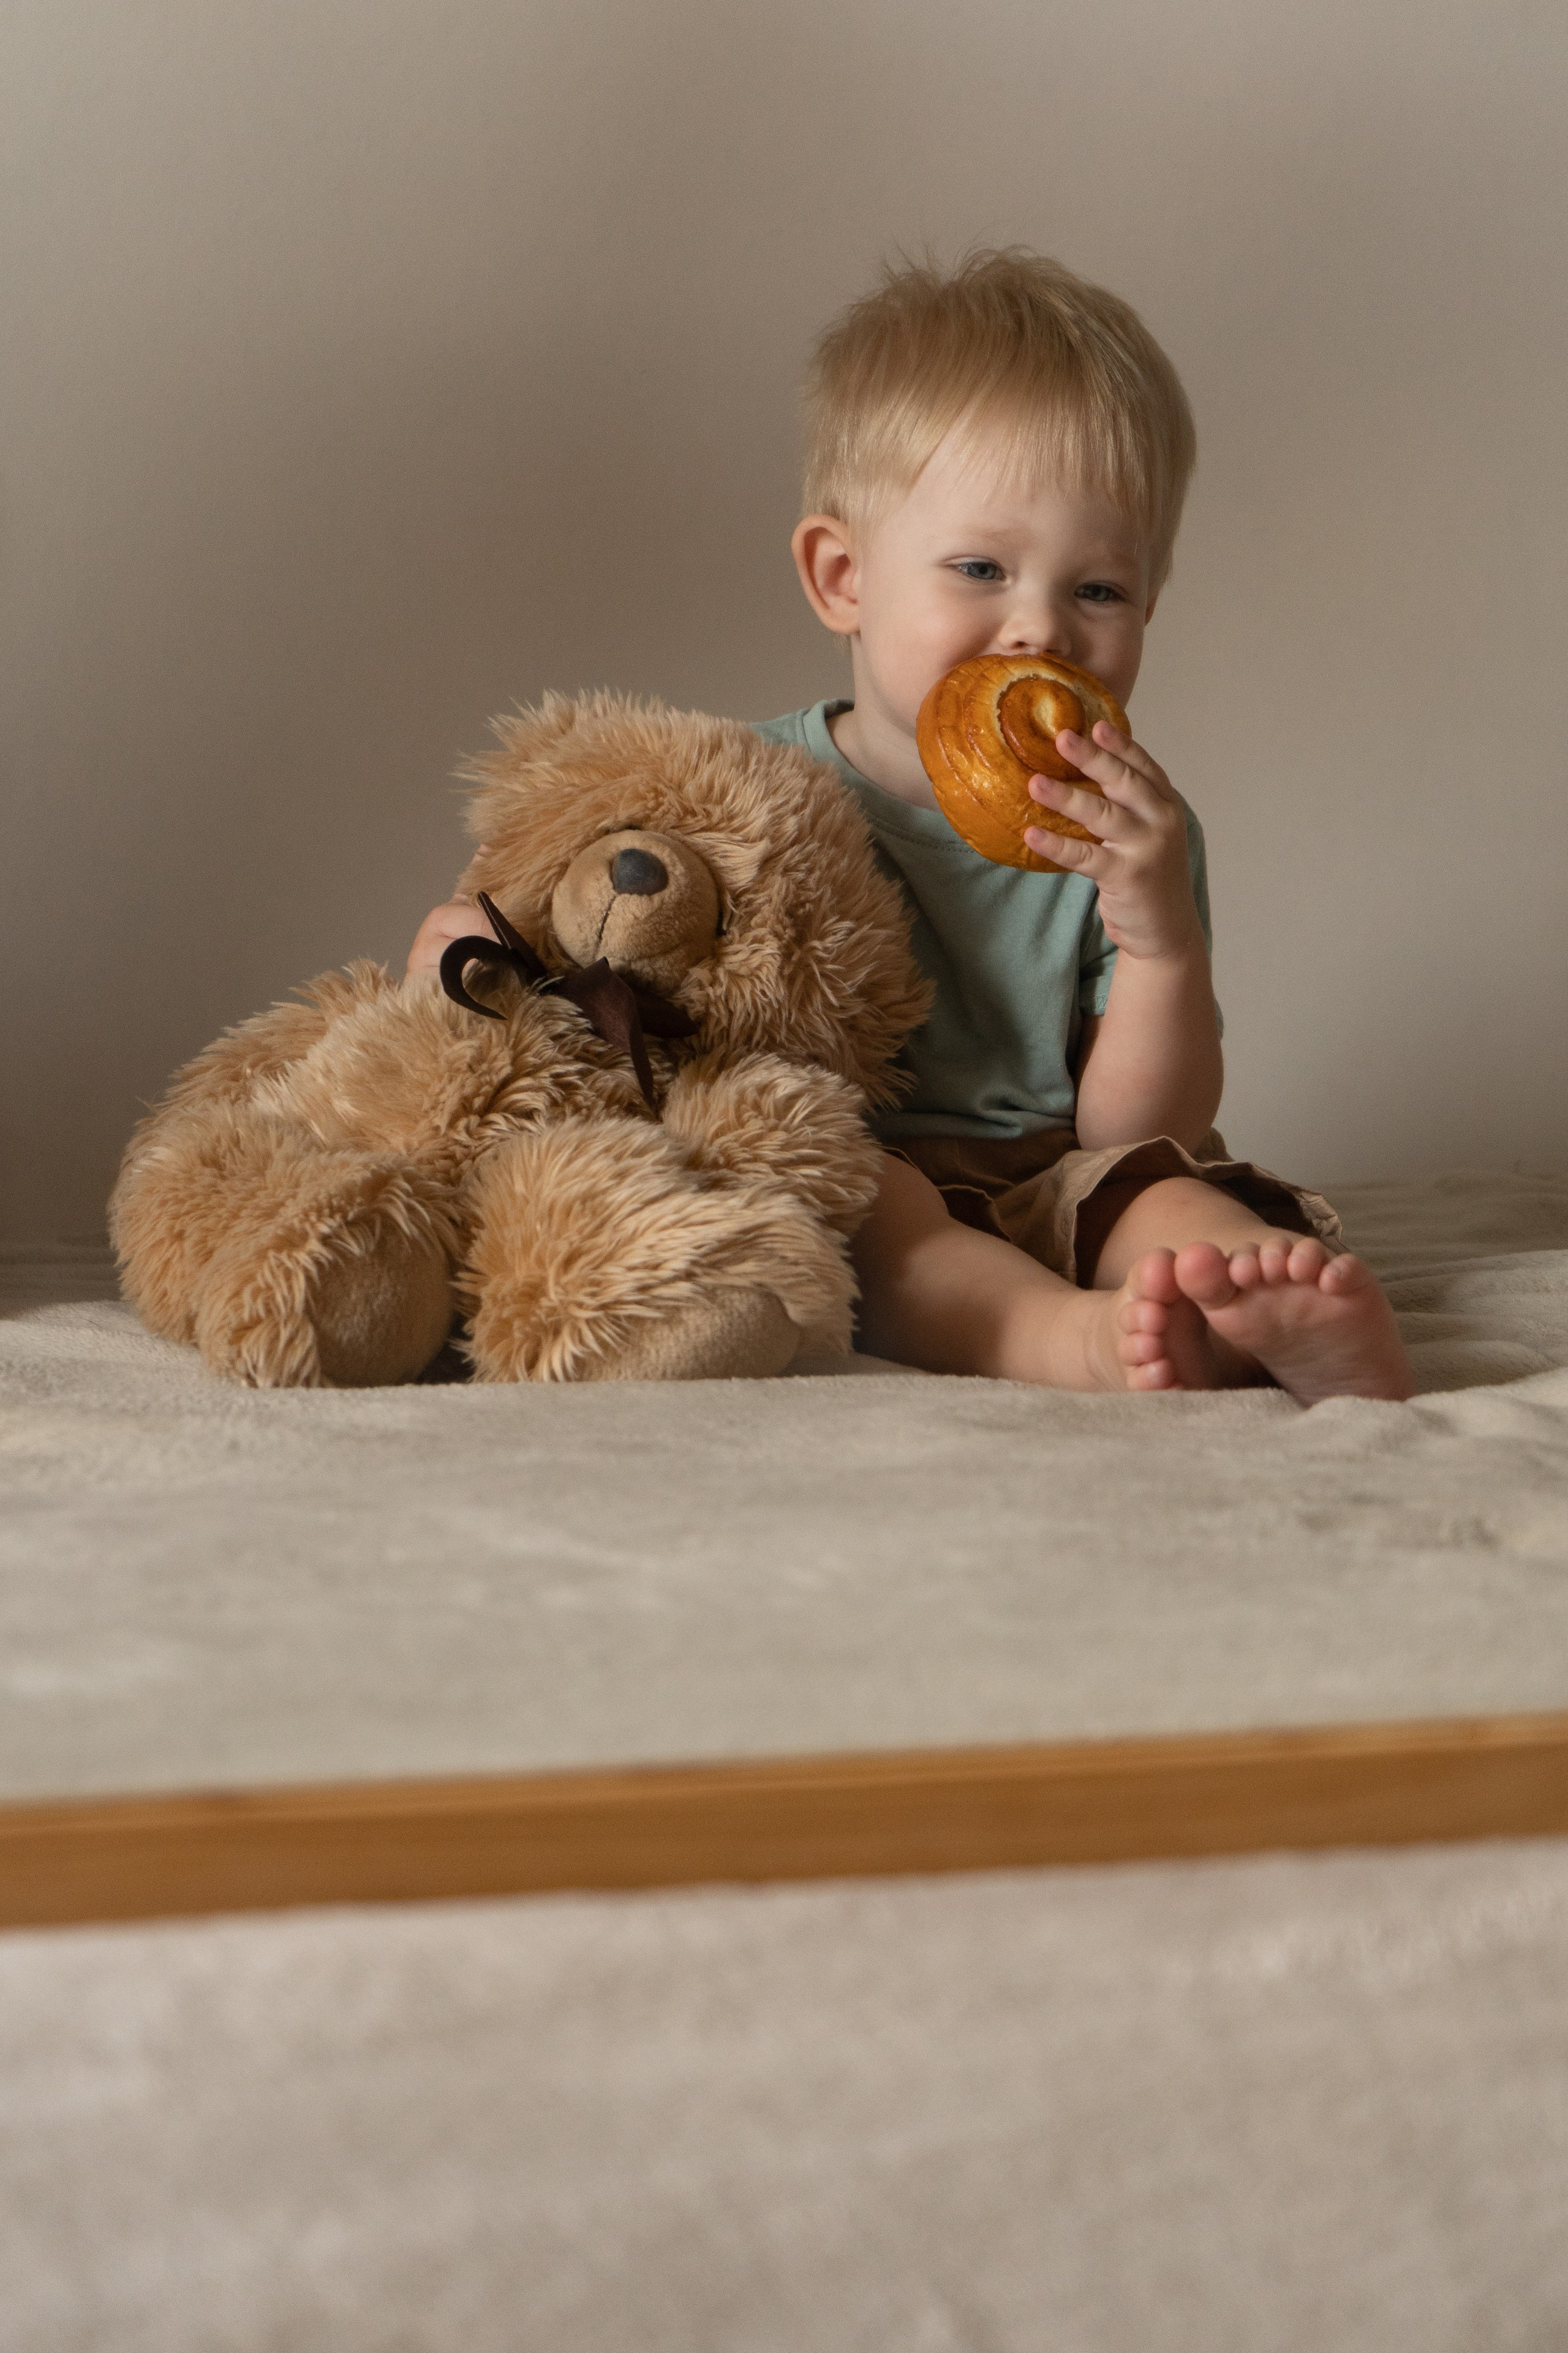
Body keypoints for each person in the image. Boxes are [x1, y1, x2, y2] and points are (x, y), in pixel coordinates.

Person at [409, 250, 1412, 1403]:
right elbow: (583, 908)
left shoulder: (1129, 829)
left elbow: (1140, 1124)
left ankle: (1254, 1310)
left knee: (1168, 1201)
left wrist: (1161, 939)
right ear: (843, 577)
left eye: (1100, 591)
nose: (1039, 629)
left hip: (1055, 1166)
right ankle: (1069, 1340)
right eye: (981, 568)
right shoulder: (741, 787)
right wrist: (460, 957)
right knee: (887, 1218)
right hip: (846, 1159)